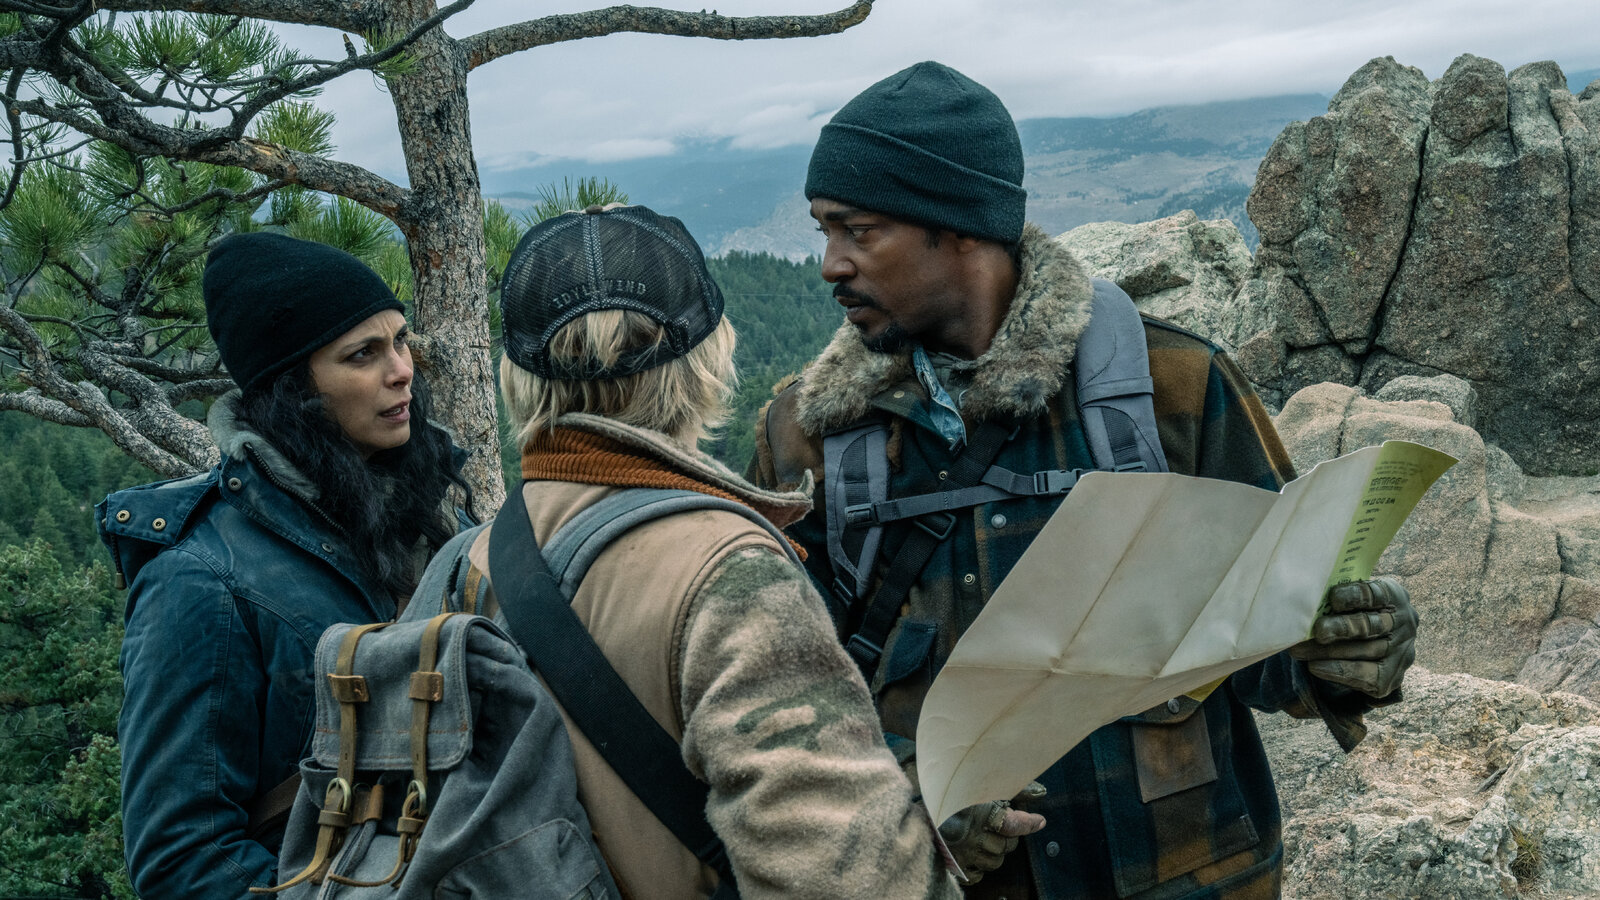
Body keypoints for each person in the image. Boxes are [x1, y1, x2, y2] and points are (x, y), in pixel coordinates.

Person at [748, 61, 1419, 899]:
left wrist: (1354, 649)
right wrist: (908, 808)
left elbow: (1273, 646)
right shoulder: (807, 439)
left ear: (959, 226)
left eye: (858, 231)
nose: (829, 264)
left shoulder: (1173, 386)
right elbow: (782, 699)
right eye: (823, 231)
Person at [464, 203, 961, 899]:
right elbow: (850, 877)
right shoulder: (731, 575)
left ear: (518, 378)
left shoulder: (466, 561)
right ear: (709, 357)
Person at [100, 233, 469, 899]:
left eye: (400, 340)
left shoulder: (427, 519)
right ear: (293, 388)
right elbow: (182, 860)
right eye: (363, 354)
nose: (402, 369)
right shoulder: (199, 577)